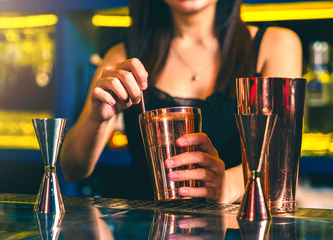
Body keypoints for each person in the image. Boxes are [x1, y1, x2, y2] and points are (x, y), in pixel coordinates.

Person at [60, 0, 302, 203]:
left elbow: (284, 165)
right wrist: (97, 119)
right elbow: (73, 169)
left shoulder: (275, 45)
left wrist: (228, 185)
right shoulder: (123, 55)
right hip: (148, 229)